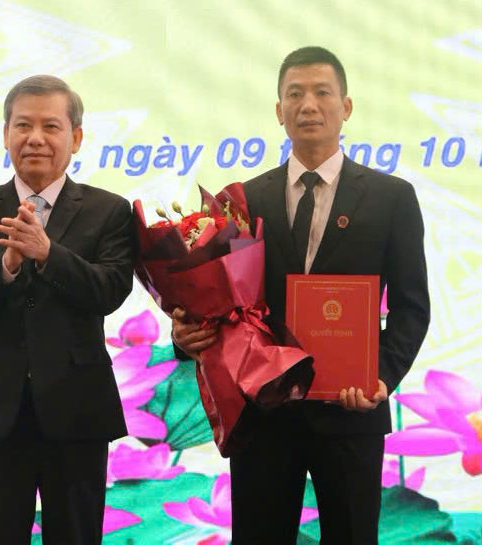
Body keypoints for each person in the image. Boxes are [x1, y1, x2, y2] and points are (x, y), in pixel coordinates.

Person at [172, 46, 430, 544]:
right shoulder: (243, 199)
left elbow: (412, 308)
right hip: (266, 413)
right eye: (295, 94)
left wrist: (380, 377)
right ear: (278, 111)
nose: (308, 104)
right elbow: (220, 304)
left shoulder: (391, 197)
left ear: (346, 107)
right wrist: (187, 332)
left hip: (351, 411)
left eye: (321, 93)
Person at [0, 75, 133, 544]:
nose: (35, 138)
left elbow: (110, 289)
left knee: (76, 533)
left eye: (51, 126)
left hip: (78, 406)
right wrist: (4, 266)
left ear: (76, 137)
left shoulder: (110, 210)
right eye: (22, 125)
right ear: (6, 134)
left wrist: (48, 254)